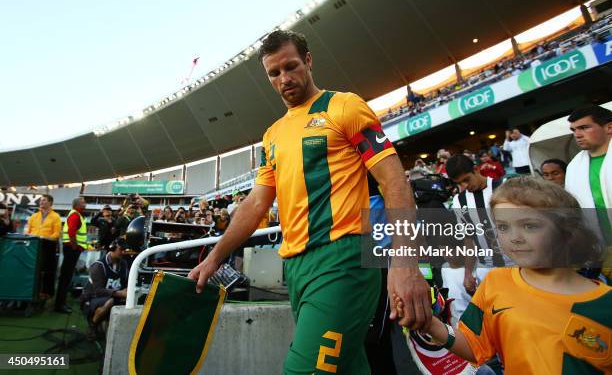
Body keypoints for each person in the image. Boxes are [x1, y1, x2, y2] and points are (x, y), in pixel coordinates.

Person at [188, 30, 430, 374]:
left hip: (344, 262)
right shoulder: (272, 135)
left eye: (291, 66)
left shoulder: (344, 106)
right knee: (347, 367)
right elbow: (257, 203)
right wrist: (215, 257)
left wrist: (406, 263)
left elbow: (394, 181)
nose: (284, 79)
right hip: (297, 271)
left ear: (309, 61)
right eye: (274, 73)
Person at [399, 177, 611, 373]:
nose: (515, 238)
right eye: (503, 227)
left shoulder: (605, 305)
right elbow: (474, 346)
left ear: (566, 229)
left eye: (529, 226)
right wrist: (430, 324)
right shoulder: (495, 282)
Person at [444, 154, 511, 323]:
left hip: (516, 264)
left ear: (476, 169)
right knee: (498, 318)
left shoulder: (503, 187)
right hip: (486, 269)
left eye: (466, 180)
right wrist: (468, 273)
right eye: (459, 183)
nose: (465, 186)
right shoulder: (459, 201)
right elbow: (468, 238)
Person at [565, 105, 612, 277]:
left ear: (609, 127)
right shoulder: (573, 167)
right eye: (574, 130)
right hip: (600, 251)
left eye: (584, 127)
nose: (577, 134)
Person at [81, 239, 128, 325]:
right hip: (92, 298)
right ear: (112, 248)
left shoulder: (124, 264)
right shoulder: (99, 265)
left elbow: (125, 283)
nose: (123, 252)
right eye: (121, 250)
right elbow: (98, 290)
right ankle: (92, 326)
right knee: (110, 302)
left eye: (125, 250)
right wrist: (119, 293)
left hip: (112, 296)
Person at [55, 197, 88, 314]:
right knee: (65, 277)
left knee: (66, 277)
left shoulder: (77, 214)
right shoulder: (75, 215)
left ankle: (60, 304)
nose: (86, 204)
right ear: (77, 205)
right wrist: (75, 247)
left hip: (71, 249)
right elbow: (72, 232)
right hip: (71, 249)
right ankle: (59, 305)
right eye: (83, 202)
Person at [25, 194, 62, 298]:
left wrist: (44, 237)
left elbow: (56, 234)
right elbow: (28, 231)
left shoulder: (55, 217)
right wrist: (30, 236)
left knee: (47, 270)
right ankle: (32, 289)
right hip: (34, 245)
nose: (41, 202)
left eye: (44, 200)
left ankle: (46, 292)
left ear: (50, 202)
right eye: (40, 200)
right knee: (33, 268)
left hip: (48, 245)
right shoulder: (34, 216)